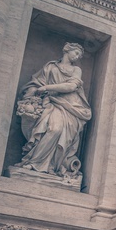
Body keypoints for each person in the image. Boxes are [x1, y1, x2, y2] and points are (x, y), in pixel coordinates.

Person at [15, 42, 93, 179]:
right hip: (51, 103)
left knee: (56, 130)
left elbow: (70, 87)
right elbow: (37, 83)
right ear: (67, 50)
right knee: (50, 129)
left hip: (71, 106)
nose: (77, 57)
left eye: (79, 55)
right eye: (76, 53)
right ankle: (35, 163)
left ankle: (49, 165)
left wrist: (47, 88)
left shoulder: (76, 70)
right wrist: (32, 93)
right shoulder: (50, 67)